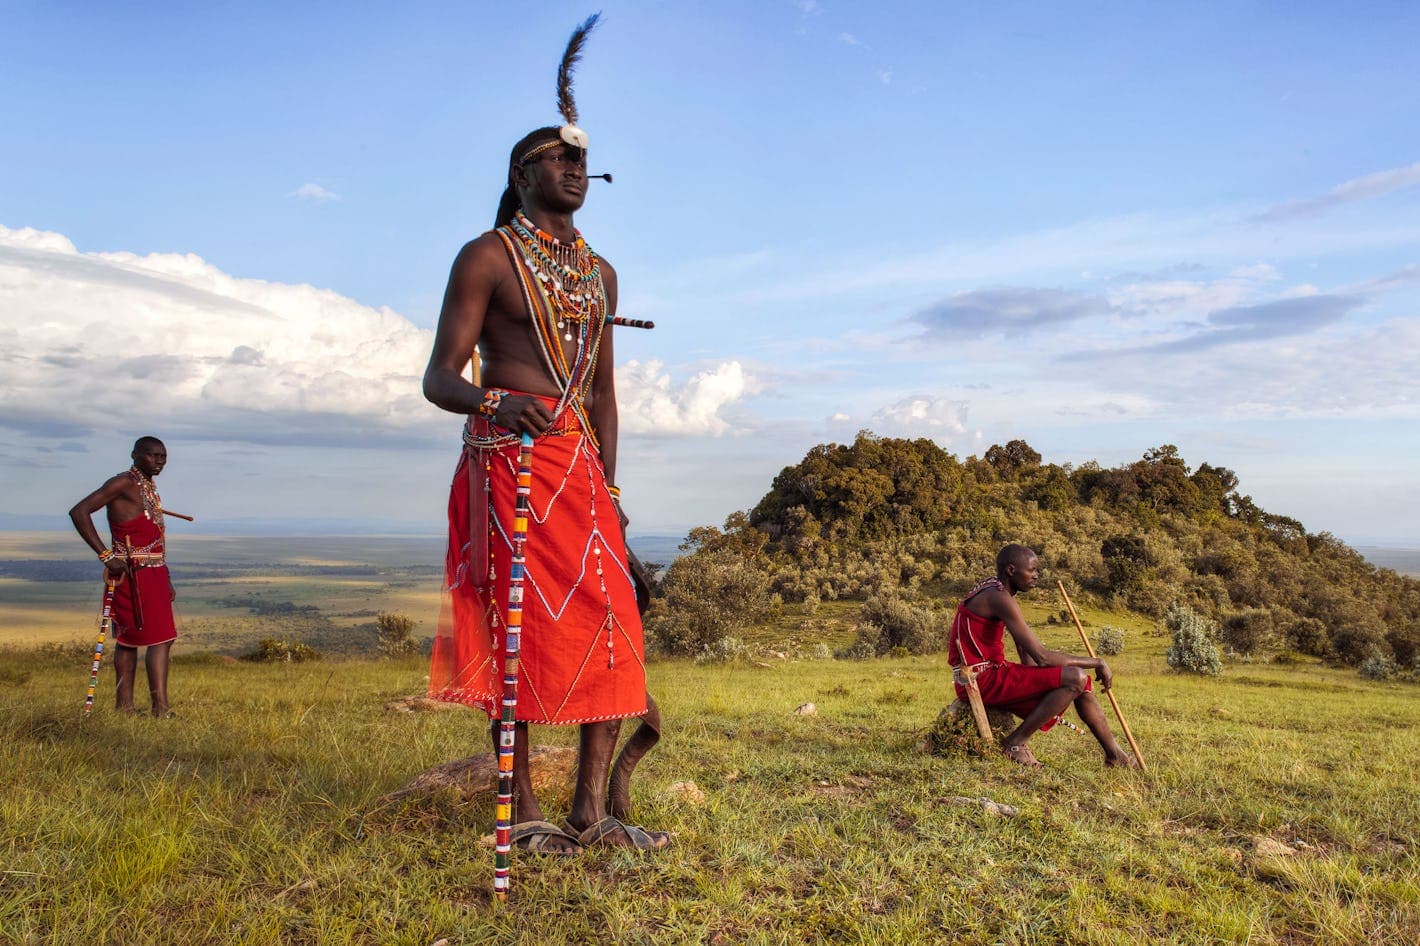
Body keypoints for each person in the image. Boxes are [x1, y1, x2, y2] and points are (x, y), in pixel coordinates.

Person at [422, 17, 667, 854]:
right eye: (558, 159)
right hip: (508, 466)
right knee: (517, 631)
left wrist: (615, 492)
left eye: (581, 162)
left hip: (581, 470)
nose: (574, 170)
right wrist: (494, 404)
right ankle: (523, 808)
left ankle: (591, 813)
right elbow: (440, 378)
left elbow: (603, 390)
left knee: (612, 625)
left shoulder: (599, 274)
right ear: (522, 174)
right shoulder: (486, 257)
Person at [948, 544, 1135, 767]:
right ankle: (1015, 743)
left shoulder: (996, 590)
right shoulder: (999, 597)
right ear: (1011, 570)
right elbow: (1042, 657)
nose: (1036, 576)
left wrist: (1038, 680)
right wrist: (1097, 662)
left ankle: (1115, 756)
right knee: (1076, 677)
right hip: (980, 679)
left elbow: (1023, 646)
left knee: (1081, 685)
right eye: (1032, 570)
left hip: (991, 672)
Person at [68, 436, 177, 717]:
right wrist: (106, 555)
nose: (159, 462)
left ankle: (126, 708)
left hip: (153, 572)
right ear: (135, 455)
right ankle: (159, 709)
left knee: (138, 640)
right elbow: (79, 512)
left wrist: (167, 580)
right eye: (153, 456)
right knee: (158, 639)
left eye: (163, 457)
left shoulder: (147, 486)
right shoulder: (123, 482)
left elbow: (154, 538)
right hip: (132, 572)